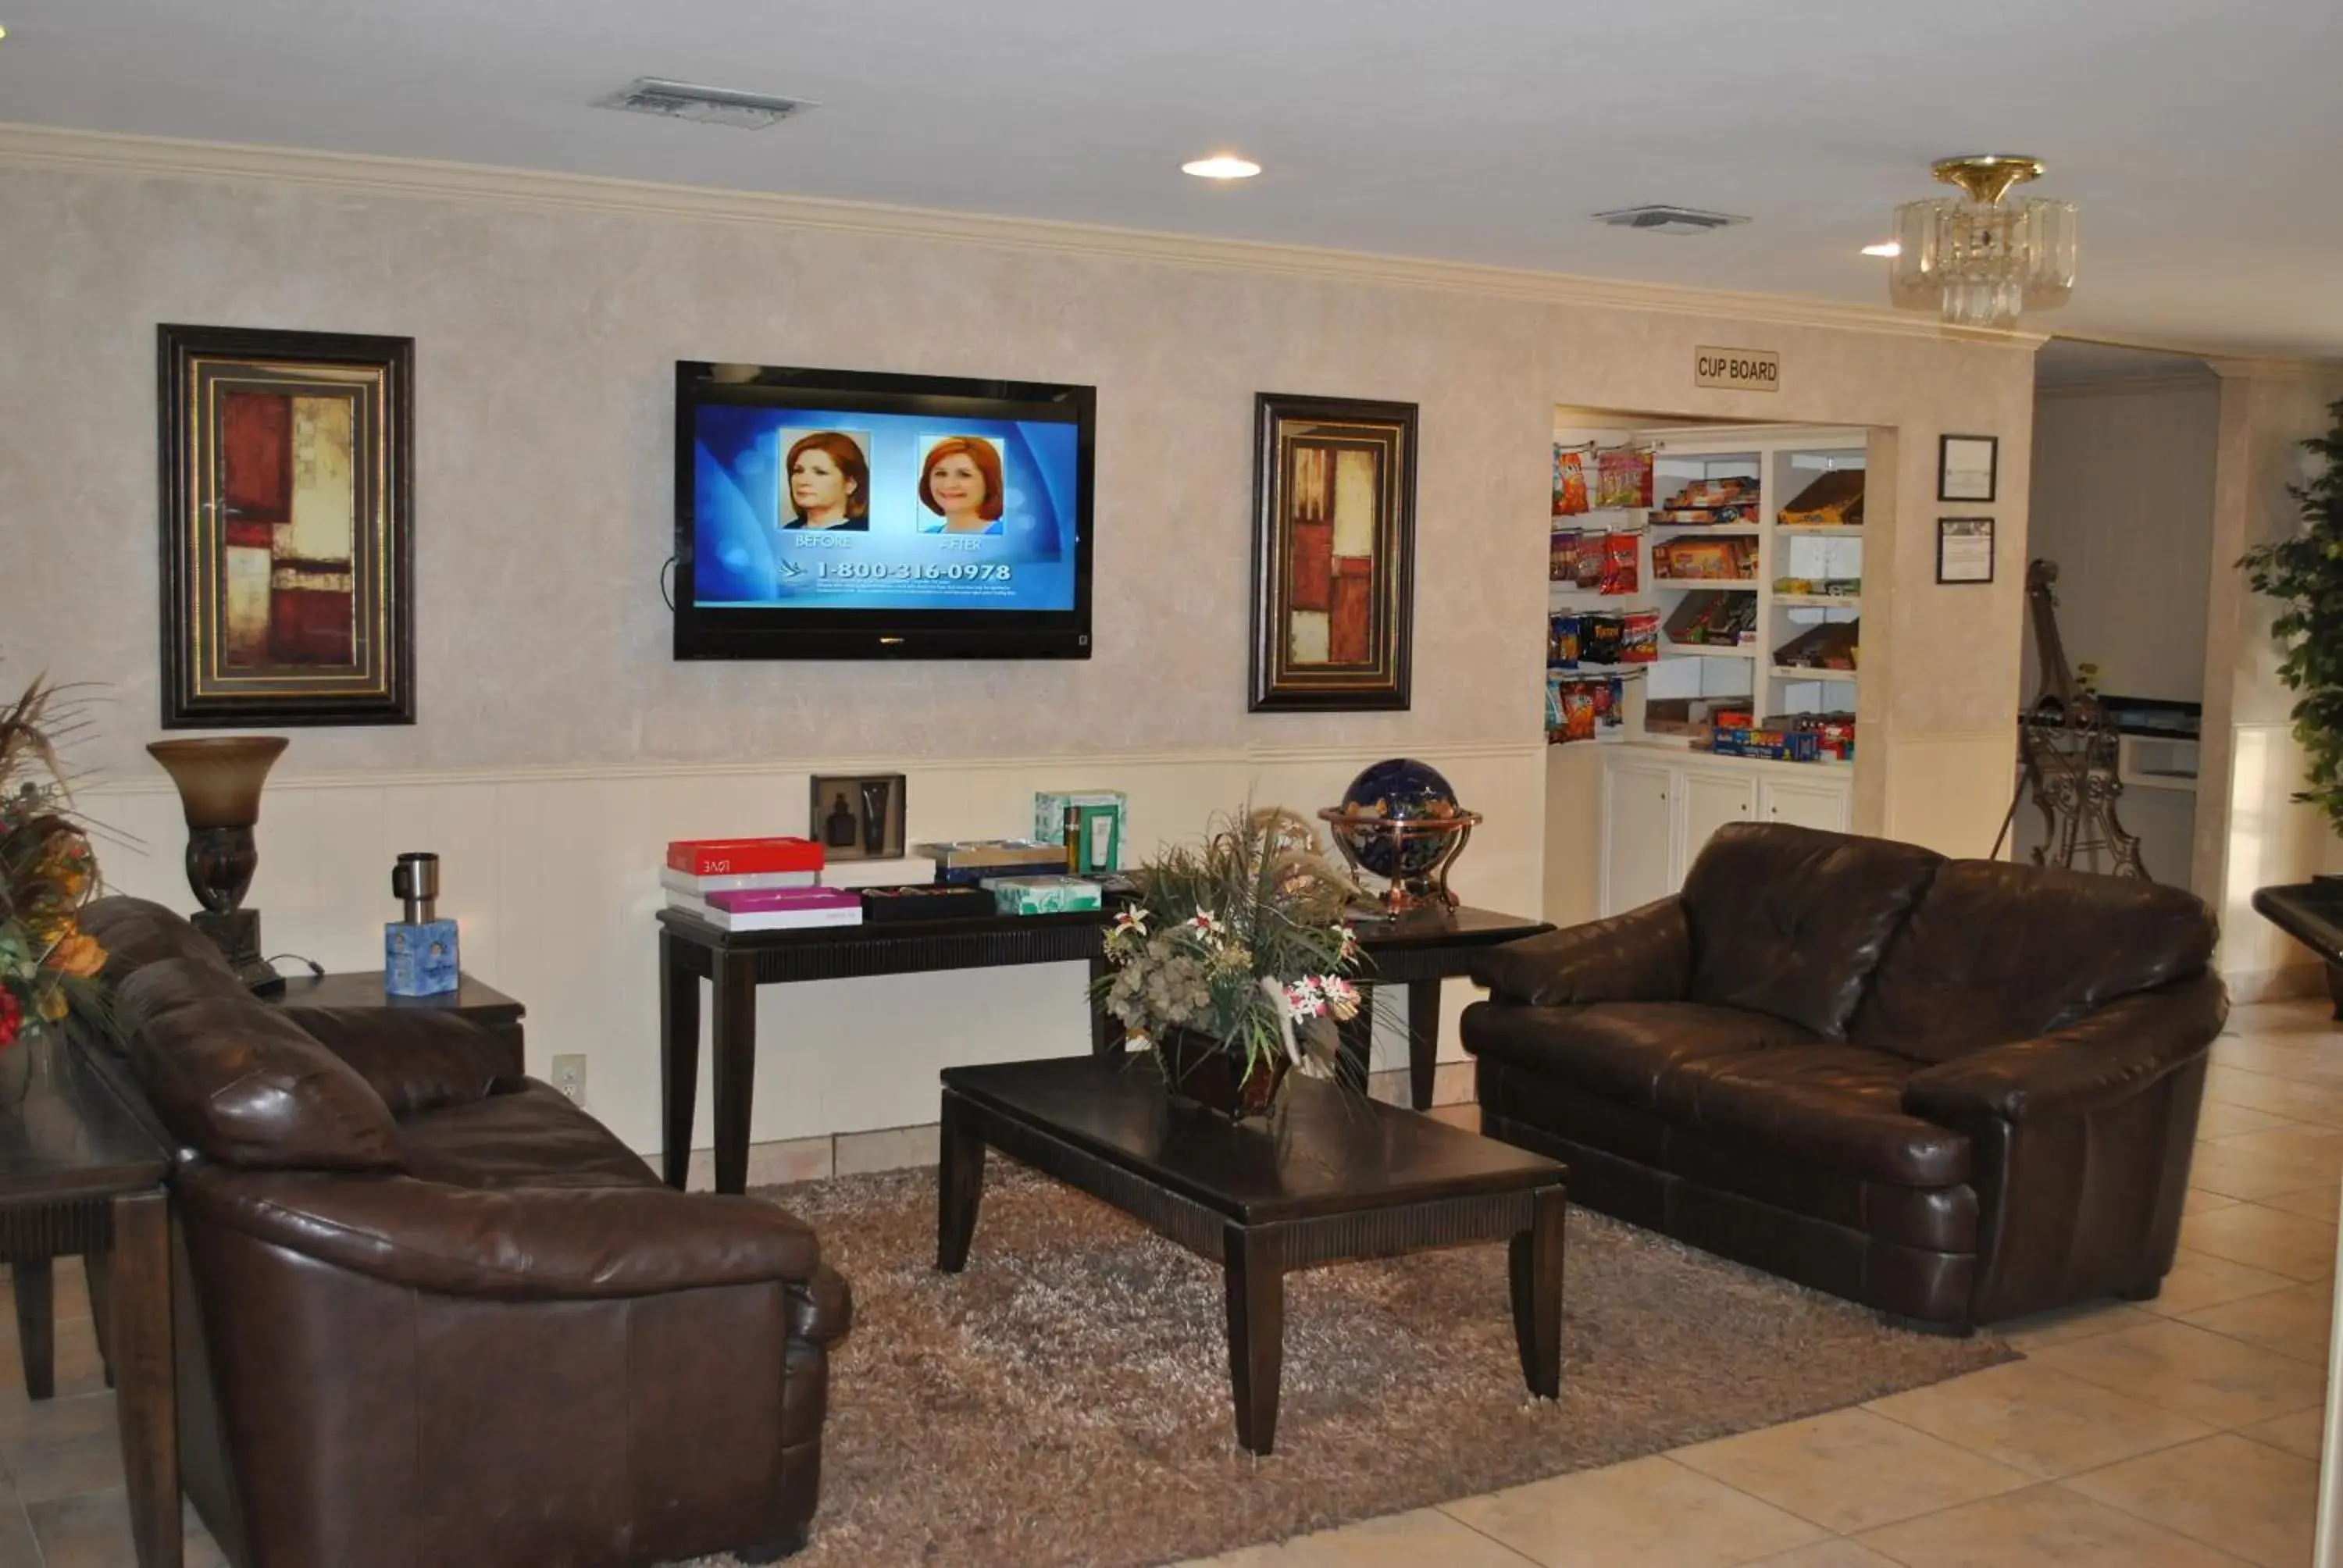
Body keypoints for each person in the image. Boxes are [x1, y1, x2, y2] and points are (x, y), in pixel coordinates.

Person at [779, 431, 869, 530]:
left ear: (850, 484)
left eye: (820, 472)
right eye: (798, 471)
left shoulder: (865, 534)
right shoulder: (787, 529)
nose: (803, 481)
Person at [917, 437, 1004, 535]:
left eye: (964, 475)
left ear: (989, 483)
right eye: (941, 473)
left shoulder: (1012, 536)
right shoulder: (927, 536)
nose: (949, 484)